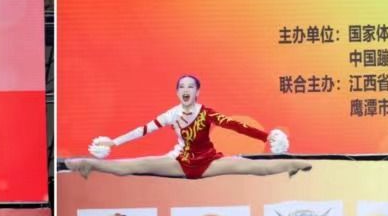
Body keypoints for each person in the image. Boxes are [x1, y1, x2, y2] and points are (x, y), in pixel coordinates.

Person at [65, 75, 311, 179]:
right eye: (181, 86)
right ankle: (88, 164)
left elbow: (237, 126)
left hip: (209, 162)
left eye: (190, 86)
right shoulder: (171, 114)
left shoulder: (207, 113)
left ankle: (297, 164)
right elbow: (143, 130)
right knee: (131, 167)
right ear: (177, 92)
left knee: (256, 168)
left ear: (197, 91)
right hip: (179, 162)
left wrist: (266, 136)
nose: (186, 90)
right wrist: (114, 142)